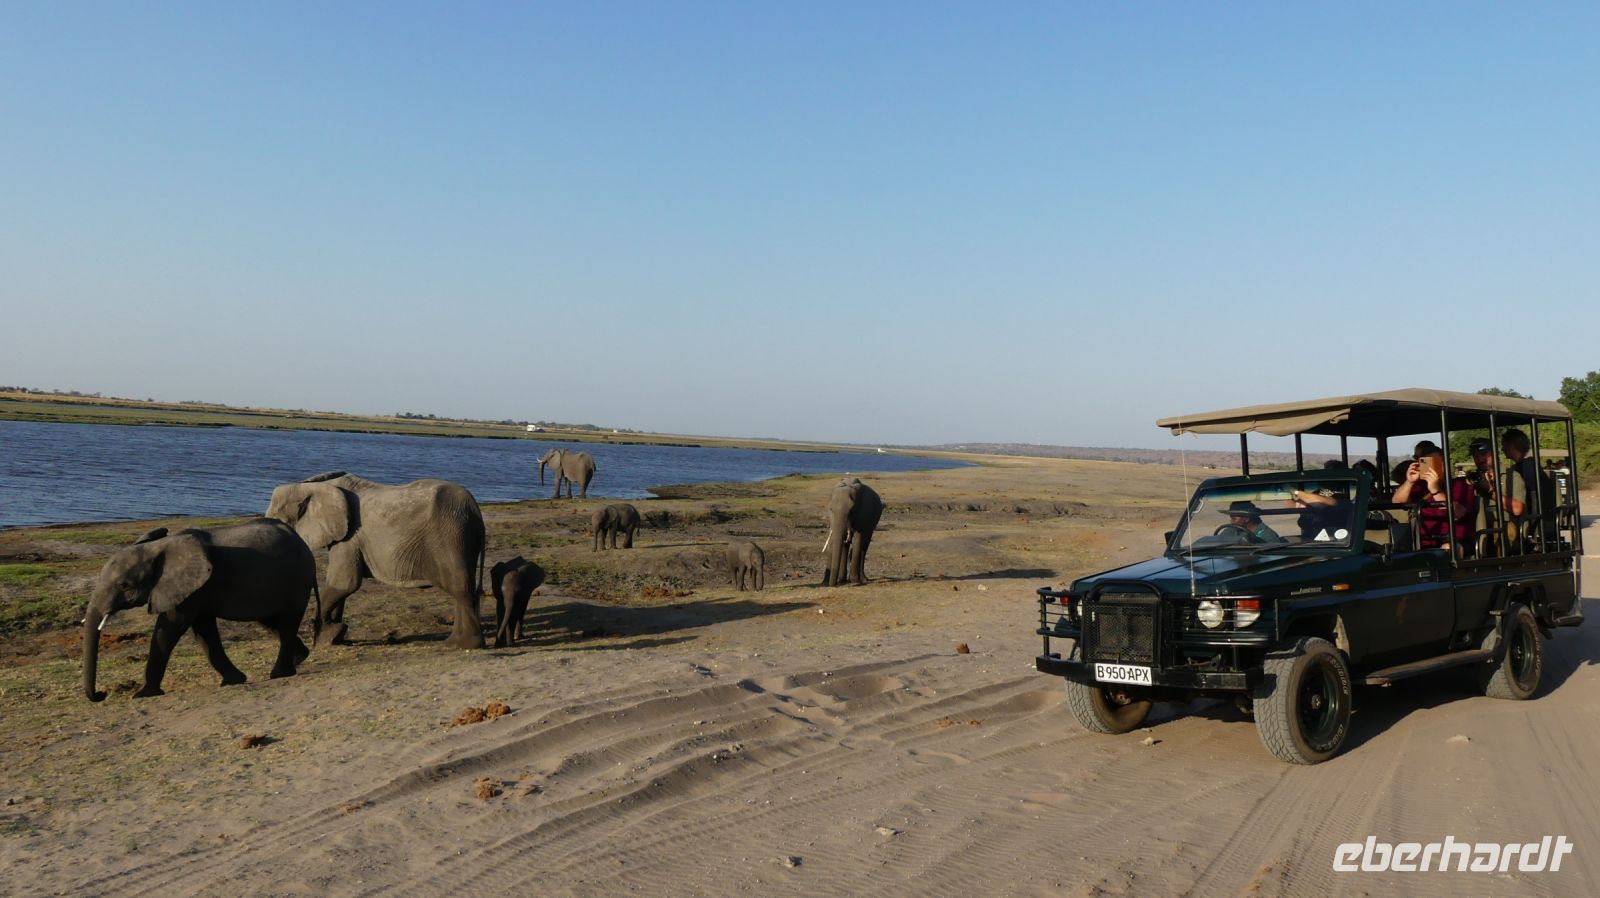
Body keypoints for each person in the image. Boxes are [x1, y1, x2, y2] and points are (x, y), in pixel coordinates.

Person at [1390, 441, 1476, 552]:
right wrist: (1409, 482)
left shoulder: (1461, 485)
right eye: (1427, 463)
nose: (1433, 467)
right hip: (1421, 542)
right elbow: (1397, 503)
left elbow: (1458, 513)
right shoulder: (1419, 487)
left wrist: (1435, 490)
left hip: (1455, 540)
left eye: (1437, 462)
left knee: (1447, 549)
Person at [1501, 428, 1559, 548]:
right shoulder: (1529, 465)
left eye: (1504, 445)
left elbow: (1530, 498)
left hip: (1529, 521)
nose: (1502, 449)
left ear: (1512, 446)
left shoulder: (1524, 468)